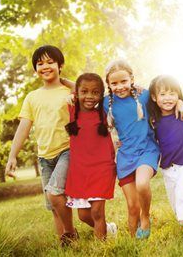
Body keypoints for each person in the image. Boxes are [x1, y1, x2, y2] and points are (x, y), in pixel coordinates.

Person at [103, 59, 183, 239]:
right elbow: (86, 94)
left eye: (124, 81)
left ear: (132, 79)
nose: (120, 87)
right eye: (114, 83)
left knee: (142, 183)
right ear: (108, 84)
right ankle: (135, 244)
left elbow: (165, 94)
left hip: (147, 150)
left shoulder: (145, 95)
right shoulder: (105, 103)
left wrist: (180, 101)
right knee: (132, 207)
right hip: (125, 155)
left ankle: (146, 216)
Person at [4, 45, 78, 246]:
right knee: (53, 205)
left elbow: (88, 88)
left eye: (50, 62)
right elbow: (23, 128)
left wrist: (64, 81)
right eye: (40, 63)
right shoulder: (32, 97)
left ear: (60, 65)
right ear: (35, 69)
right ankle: (66, 243)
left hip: (67, 150)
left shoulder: (69, 92)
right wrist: (12, 156)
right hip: (45, 157)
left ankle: (71, 233)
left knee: (55, 194)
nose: (45, 66)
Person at [64, 73, 117, 240]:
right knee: (83, 216)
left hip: (102, 169)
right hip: (80, 172)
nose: (89, 96)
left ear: (101, 95)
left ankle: (101, 248)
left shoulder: (104, 112)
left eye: (95, 92)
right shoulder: (73, 110)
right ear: (77, 93)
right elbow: (75, 87)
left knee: (96, 212)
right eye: (84, 92)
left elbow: (122, 94)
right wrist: (65, 84)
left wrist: (135, 87)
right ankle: (109, 229)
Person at [148, 75, 183, 241]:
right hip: (168, 165)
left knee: (182, 193)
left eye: (172, 93)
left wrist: (182, 104)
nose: (168, 98)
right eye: (163, 94)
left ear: (178, 95)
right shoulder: (154, 120)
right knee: (174, 198)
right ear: (154, 97)